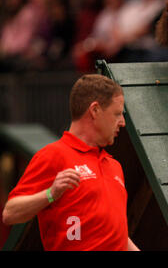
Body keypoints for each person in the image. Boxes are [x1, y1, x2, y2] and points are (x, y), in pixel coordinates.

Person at [2, 74, 139, 251]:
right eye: (117, 114)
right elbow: (10, 213)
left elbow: (117, 235)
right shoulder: (53, 155)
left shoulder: (114, 166)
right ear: (95, 110)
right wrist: (51, 193)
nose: (122, 122)